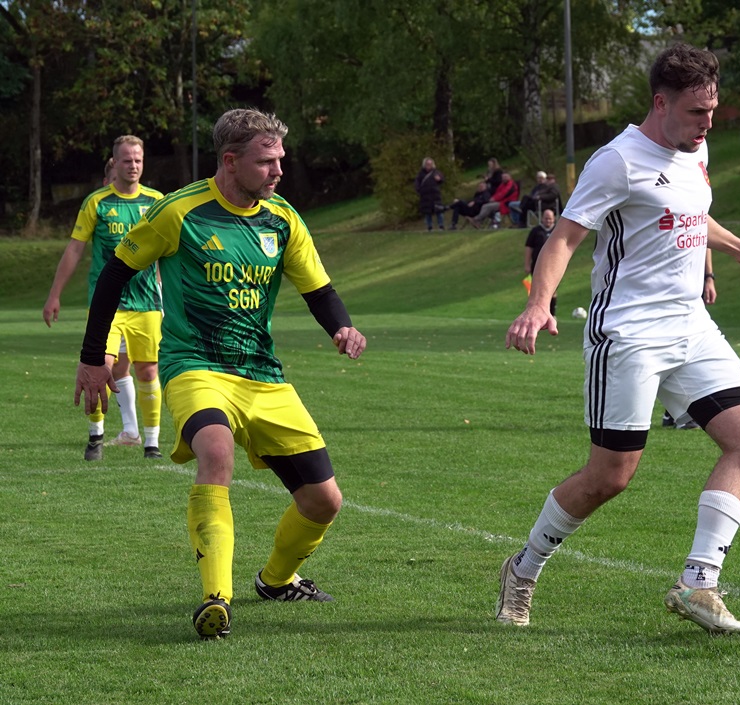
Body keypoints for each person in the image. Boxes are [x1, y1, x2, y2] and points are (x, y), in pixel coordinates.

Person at [498, 43, 740, 637]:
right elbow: (565, 238)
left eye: (712, 110)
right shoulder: (617, 161)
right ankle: (523, 568)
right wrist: (538, 303)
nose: (708, 124)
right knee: (611, 477)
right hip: (628, 334)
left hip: (691, 326)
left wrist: (738, 249)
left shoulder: (695, 150)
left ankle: (699, 583)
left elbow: (691, 215)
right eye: (697, 112)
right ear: (660, 103)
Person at [73, 108, 367, 640]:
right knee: (216, 450)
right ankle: (216, 598)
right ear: (230, 161)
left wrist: (341, 328)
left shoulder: (283, 219)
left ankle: (276, 581)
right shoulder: (179, 211)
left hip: (262, 374)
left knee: (324, 501)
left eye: (280, 160)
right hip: (194, 365)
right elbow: (115, 272)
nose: (278, 171)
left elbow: (319, 290)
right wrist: (94, 356)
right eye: (266, 162)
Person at [44, 135, 164, 461]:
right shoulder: (97, 202)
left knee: (148, 371)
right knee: (100, 364)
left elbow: (169, 250)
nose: (133, 166)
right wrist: (54, 294)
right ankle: (95, 435)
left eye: (138, 160)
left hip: (147, 304)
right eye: (127, 160)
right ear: (115, 162)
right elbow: (75, 249)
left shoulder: (157, 201)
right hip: (106, 304)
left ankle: (151, 444)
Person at [662, 251, 716, 430]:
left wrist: (709, 277)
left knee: (687, 343)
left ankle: (675, 413)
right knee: (670, 344)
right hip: (661, 289)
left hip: (690, 286)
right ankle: (680, 413)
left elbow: (705, 240)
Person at [523, 209, 557, 316]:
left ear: (554, 219)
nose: (548, 221)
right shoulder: (536, 231)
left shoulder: (557, 230)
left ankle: (552, 314)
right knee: (535, 290)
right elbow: (529, 248)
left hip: (553, 266)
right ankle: (535, 313)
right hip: (537, 265)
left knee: (552, 290)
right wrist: (527, 264)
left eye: (550, 219)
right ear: (542, 218)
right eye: (546, 218)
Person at [415, 157, 445, 231]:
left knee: (439, 211)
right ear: (424, 165)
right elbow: (417, 183)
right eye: (427, 164)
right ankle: (429, 227)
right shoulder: (421, 174)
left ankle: (441, 226)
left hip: (435, 195)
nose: (429, 165)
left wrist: (439, 179)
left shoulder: (436, 172)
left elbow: (442, 179)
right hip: (425, 196)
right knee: (427, 212)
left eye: (430, 164)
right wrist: (420, 190)